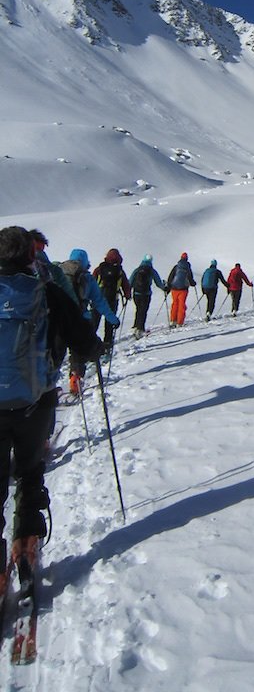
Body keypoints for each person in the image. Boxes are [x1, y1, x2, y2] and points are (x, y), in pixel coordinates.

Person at [0, 226, 103, 582]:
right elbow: (85, 341)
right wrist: (94, 350)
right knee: (29, 474)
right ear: (32, 255)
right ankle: (27, 546)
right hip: (35, 401)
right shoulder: (47, 293)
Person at [59, 249, 120, 395]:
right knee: (78, 351)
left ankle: (47, 387)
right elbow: (100, 302)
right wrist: (113, 319)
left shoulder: (59, 273)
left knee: (56, 352)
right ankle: (76, 378)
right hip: (80, 319)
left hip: (59, 319)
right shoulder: (87, 277)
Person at [92, 249, 131, 355]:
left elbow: (92, 281)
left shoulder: (99, 269)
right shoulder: (119, 271)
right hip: (113, 299)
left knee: (94, 322)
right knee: (109, 323)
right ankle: (107, 345)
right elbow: (126, 285)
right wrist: (127, 296)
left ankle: (91, 344)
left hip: (98, 298)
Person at [128, 255, 166, 334]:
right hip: (146, 294)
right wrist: (164, 288)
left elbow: (130, 281)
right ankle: (140, 328)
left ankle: (135, 325)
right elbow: (158, 282)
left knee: (138, 309)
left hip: (136, 293)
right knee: (143, 310)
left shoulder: (137, 270)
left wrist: (127, 292)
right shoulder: (152, 271)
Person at [167, 253, 196, 328]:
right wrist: (193, 283)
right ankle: (179, 322)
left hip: (174, 288)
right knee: (181, 305)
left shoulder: (176, 267)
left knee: (175, 304)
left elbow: (171, 277)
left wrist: (169, 286)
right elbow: (190, 278)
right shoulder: (187, 267)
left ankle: (173, 320)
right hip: (183, 289)